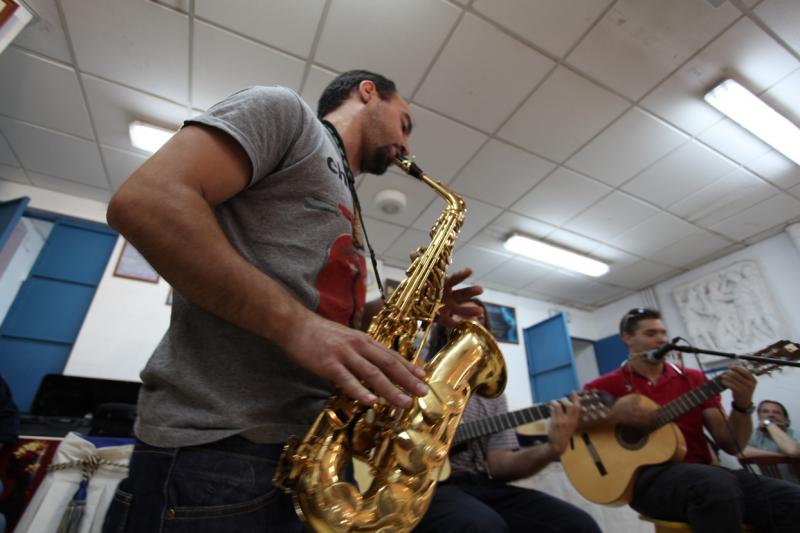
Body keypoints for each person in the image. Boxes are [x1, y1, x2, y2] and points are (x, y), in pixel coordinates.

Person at [102, 70, 482, 532]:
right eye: (405, 123)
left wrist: (406, 308)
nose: (406, 146)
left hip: (309, 458)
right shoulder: (286, 114)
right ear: (368, 93)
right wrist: (297, 327)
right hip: (220, 455)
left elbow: (323, 316)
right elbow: (146, 201)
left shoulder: (347, 195)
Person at [584, 308, 800, 532]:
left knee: (791, 499)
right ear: (628, 338)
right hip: (645, 481)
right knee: (715, 486)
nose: (661, 339)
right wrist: (613, 413)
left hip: (705, 473)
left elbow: (730, 443)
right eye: (650, 334)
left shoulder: (694, 379)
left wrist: (742, 404)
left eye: (663, 332)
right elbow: (572, 424)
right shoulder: (604, 386)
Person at [414, 299, 601, 533]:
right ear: (444, 323)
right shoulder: (416, 374)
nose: (475, 321)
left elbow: (500, 465)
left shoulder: (493, 396)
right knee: (483, 526)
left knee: (578, 525)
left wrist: (551, 449)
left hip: (483, 485)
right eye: (465, 314)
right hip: (426, 486)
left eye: (481, 318)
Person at [741, 400, 800, 483]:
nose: (771, 415)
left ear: (786, 419)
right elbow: (739, 452)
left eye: (777, 412)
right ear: (759, 417)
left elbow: (793, 451)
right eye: (765, 412)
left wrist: (768, 424)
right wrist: (779, 456)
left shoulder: (796, 434)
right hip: (773, 489)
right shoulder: (755, 435)